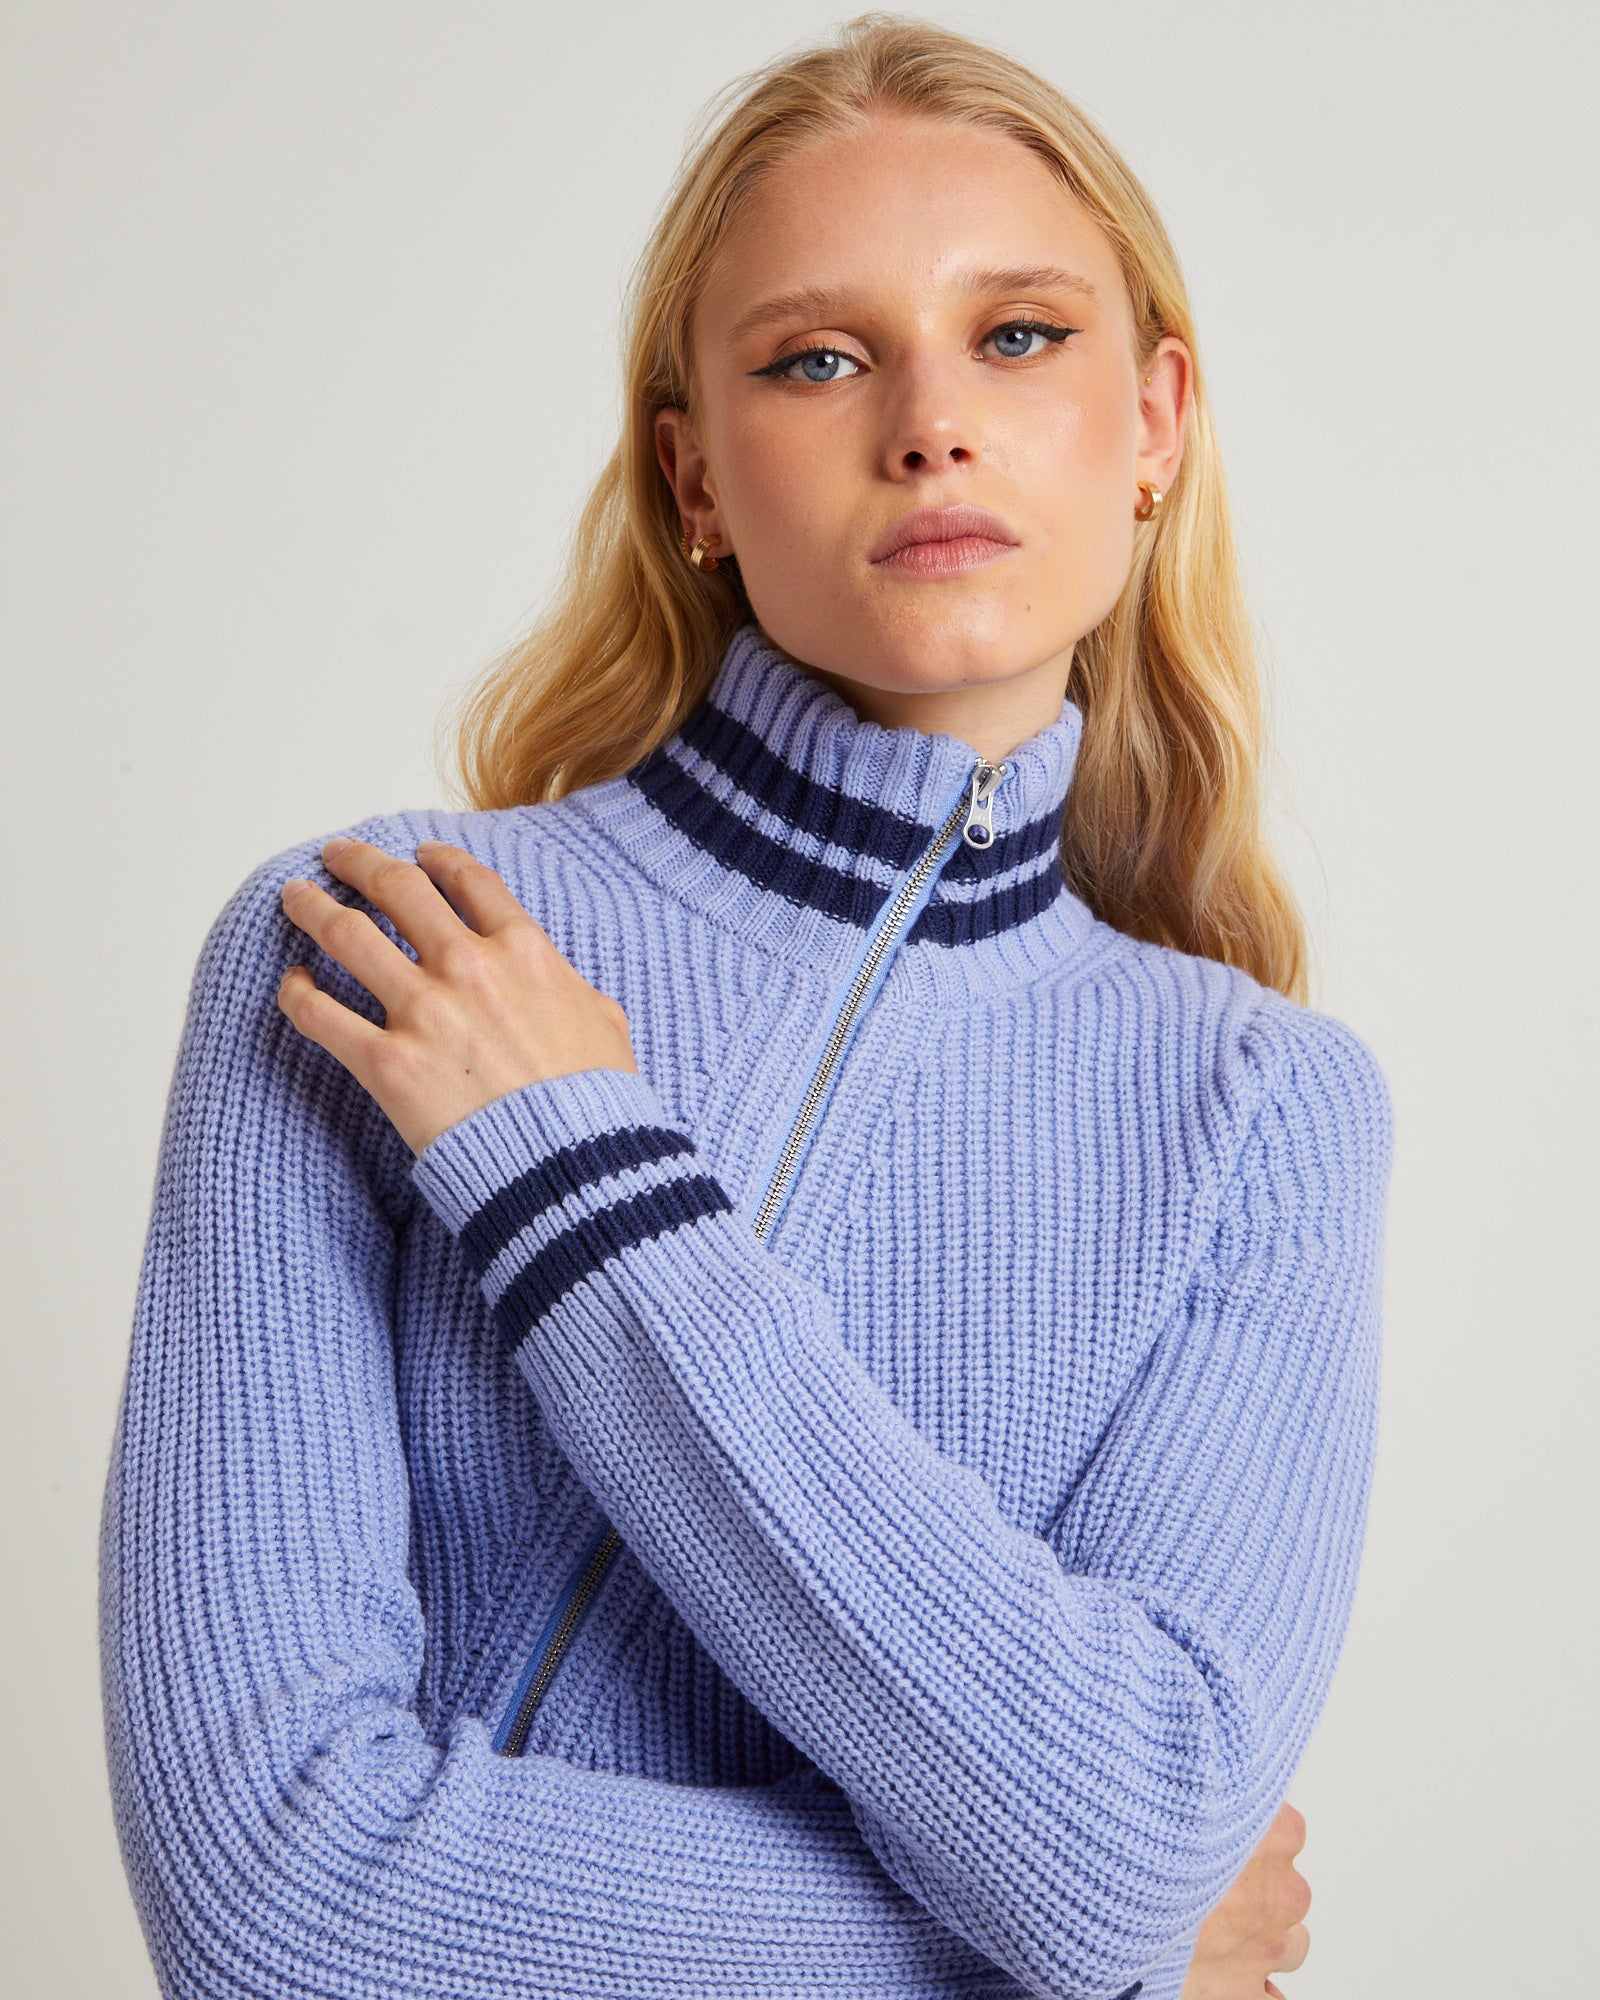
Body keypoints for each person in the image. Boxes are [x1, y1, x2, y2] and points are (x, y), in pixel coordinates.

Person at [99, 15, 1389, 2000]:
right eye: (817, 357)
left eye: (1017, 335)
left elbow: (1130, 1840)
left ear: (1154, 421)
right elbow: (276, 1909)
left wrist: (577, 1181)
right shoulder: (384, 951)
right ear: (692, 471)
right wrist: (1077, 1962)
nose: (931, 423)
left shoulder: (1259, 1107)